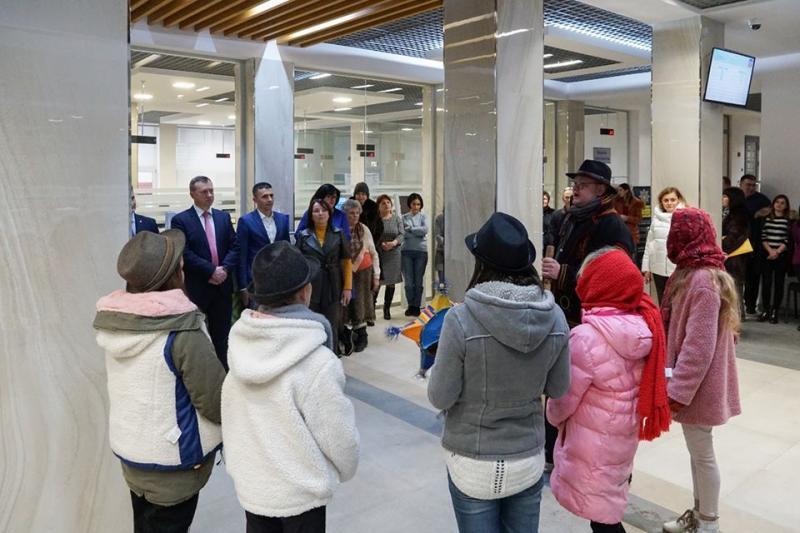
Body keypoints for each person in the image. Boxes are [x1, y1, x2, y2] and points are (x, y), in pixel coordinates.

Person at [428, 212, 570, 533]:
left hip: (472, 460)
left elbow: (440, 396)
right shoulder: (555, 318)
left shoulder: (461, 319)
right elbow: (559, 388)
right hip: (527, 458)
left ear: (482, 264)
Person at [94, 230, 226, 533]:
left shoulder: (117, 324)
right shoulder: (183, 331)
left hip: (133, 456)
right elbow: (215, 401)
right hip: (175, 465)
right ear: (174, 276)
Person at [223, 241, 359, 533]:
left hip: (254, 490)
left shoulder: (239, 347)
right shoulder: (318, 361)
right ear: (305, 292)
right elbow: (339, 438)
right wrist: (345, 469)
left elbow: (230, 414)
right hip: (301, 495)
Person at [547, 248, 669, 533]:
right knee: (606, 509)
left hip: (591, 444)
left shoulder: (586, 337)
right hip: (621, 437)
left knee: (603, 520)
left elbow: (563, 399)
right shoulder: (643, 326)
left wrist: (551, 414)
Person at [660, 208, 741, 533]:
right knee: (698, 452)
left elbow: (699, 346)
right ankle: (700, 514)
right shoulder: (694, 273)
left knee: (702, 454)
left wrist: (678, 391)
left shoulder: (702, 280)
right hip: (695, 386)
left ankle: (708, 522)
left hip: (697, 387)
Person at [541, 160, 634, 327]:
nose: (575, 189)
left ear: (600, 190)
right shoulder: (572, 217)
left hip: (590, 319)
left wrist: (562, 273)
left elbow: (612, 277)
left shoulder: (612, 225)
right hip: (566, 311)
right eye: (575, 184)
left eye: (582, 185)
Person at [171, 176, 239, 369]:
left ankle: (223, 374)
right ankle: (202, 374)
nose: (209, 195)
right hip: (198, 287)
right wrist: (210, 271)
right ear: (192, 194)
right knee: (198, 336)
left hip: (222, 287)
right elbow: (184, 252)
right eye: (204, 192)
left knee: (222, 337)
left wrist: (224, 269)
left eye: (211, 191)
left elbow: (235, 246)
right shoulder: (181, 220)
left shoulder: (223, 217)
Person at [296, 197, 352, 356]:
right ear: (311, 215)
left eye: (323, 210)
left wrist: (348, 287)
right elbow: (298, 264)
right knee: (312, 325)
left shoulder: (338, 233)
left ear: (329, 213)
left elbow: (347, 262)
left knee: (332, 325)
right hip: (311, 286)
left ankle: (331, 359)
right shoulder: (303, 236)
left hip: (333, 284)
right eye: (316, 211)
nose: (320, 213)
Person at [236, 182, 291, 309]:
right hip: (256, 281)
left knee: (280, 314)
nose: (269, 199)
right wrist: (243, 286)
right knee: (258, 315)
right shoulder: (246, 221)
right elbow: (242, 256)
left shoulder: (283, 219)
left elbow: (287, 250)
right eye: (265, 196)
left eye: (271, 195)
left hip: (279, 279)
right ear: (255, 200)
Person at [342, 199, 380, 352]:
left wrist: (376, 276)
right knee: (346, 304)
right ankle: (347, 334)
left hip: (363, 273)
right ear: (345, 214)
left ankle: (362, 335)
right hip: (344, 272)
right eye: (351, 213)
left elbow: (374, 253)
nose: (355, 216)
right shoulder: (339, 229)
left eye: (357, 213)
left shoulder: (364, 229)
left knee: (361, 303)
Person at [753, 195, 795, 323]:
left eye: (782, 203)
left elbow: (788, 239)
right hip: (767, 255)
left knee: (779, 283)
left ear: (786, 206)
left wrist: (777, 251)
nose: (779, 205)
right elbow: (763, 236)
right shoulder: (765, 218)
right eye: (777, 202)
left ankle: (775, 310)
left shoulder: (789, 221)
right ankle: (766, 309)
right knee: (766, 283)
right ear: (773, 203)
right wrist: (770, 251)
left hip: (781, 256)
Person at [642, 187, 686, 302]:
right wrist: (646, 268)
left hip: (678, 269)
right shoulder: (656, 220)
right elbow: (649, 245)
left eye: (672, 200)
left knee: (679, 302)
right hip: (658, 269)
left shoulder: (685, 218)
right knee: (663, 302)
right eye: (666, 200)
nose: (669, 203)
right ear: (661, 202)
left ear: (678, 200)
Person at [739, 174, 770, 315]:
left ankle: (750, 305)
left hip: (755, 242)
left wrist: (762, 213)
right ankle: (737, 306)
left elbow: (770, 209)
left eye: (753, 185)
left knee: (753, 275)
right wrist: (754, 214)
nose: (751, 188)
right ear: (741, 185)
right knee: (738, 276)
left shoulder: (761, 199)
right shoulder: (736, 198)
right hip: (737, 242)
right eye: (748, 185)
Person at [376, 194, 404, 320]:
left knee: (391, 282)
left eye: (388, 202)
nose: (386, 205)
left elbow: (402, 234)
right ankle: (371, 309)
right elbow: (373, 235)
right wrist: (381, 244)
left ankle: (386, 309)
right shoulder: (376, 219)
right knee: (377, 281)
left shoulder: (397, 218)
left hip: (394, 253)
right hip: (380, 253)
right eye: (383, 203)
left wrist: (393, 243)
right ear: (378, 206)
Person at [721, 187, 750, 309]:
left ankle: (738, 317)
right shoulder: (729, 213)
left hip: (734, 258)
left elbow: (733, 237)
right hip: (731, 257)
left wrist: (720, 242)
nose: (722, 199)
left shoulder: (738, 216)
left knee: (735, 292)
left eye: (725, 196)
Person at [402, 193, 429, 317]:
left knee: (418, 281)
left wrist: (411, 229)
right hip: (406, 251)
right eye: (414, 204)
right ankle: (410, 305)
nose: (416, 207)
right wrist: (418, 232)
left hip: (421, 252)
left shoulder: (424, 217)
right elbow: (404, 233)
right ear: (410, 204)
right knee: (408, 282)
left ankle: (417, 306)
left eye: (418, 204)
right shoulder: (404, 218)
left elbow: (425, 230)